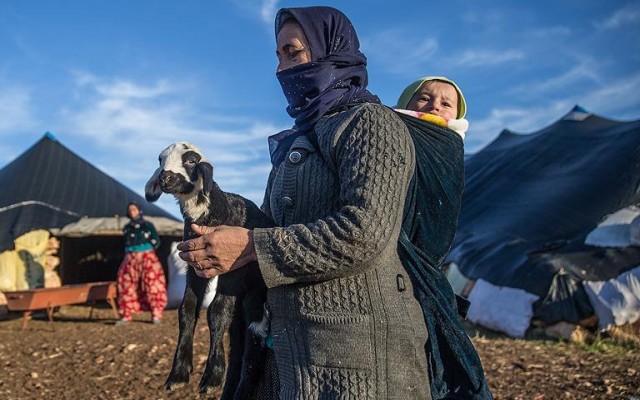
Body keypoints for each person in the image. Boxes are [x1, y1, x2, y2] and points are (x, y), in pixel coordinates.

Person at [178, 6, 491, 399]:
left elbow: (365, 231)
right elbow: (272, 227)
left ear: (331, 51)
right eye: (277, 57)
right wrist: (211, 209)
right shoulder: (299, 139)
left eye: (292, 52)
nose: (281, 69)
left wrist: (252, 245)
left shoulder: (371, 124)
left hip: (357, 358)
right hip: (286, 350)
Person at [115, 202, 167, 325]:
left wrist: (145, 251)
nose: (132, 211)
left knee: (153, 283)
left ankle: (156, 314)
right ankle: (126, 314)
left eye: (134, 209)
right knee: (125, 283)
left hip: (147, 257)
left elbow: (156, 241)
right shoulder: (127, 228)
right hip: (130, 258)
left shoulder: (148, 225)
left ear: (139, 211)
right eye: (130, 210)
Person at [395, 76, 470, 138]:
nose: (435, 106)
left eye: (445, 104)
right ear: (404, 104)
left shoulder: (454, 142)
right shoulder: (392, 127)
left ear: (458, 115)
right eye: (424, 99)